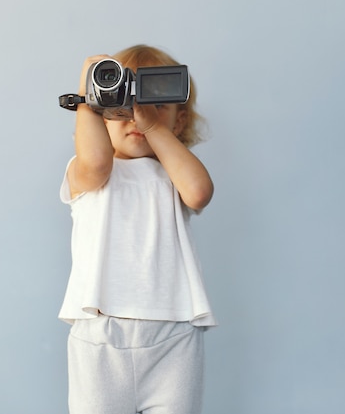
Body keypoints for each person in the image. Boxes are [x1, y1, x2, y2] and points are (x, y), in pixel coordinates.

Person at [58, 44, 216, 414]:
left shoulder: (174, 173)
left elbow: (199, 193)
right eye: (122, 105)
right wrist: (87, 97)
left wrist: (153, 127)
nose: (136, 115)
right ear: (99, 115)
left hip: (173, 335)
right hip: (100, 335)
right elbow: (97, 162)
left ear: (179, 121)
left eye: (156, 103)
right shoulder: (84, 172)